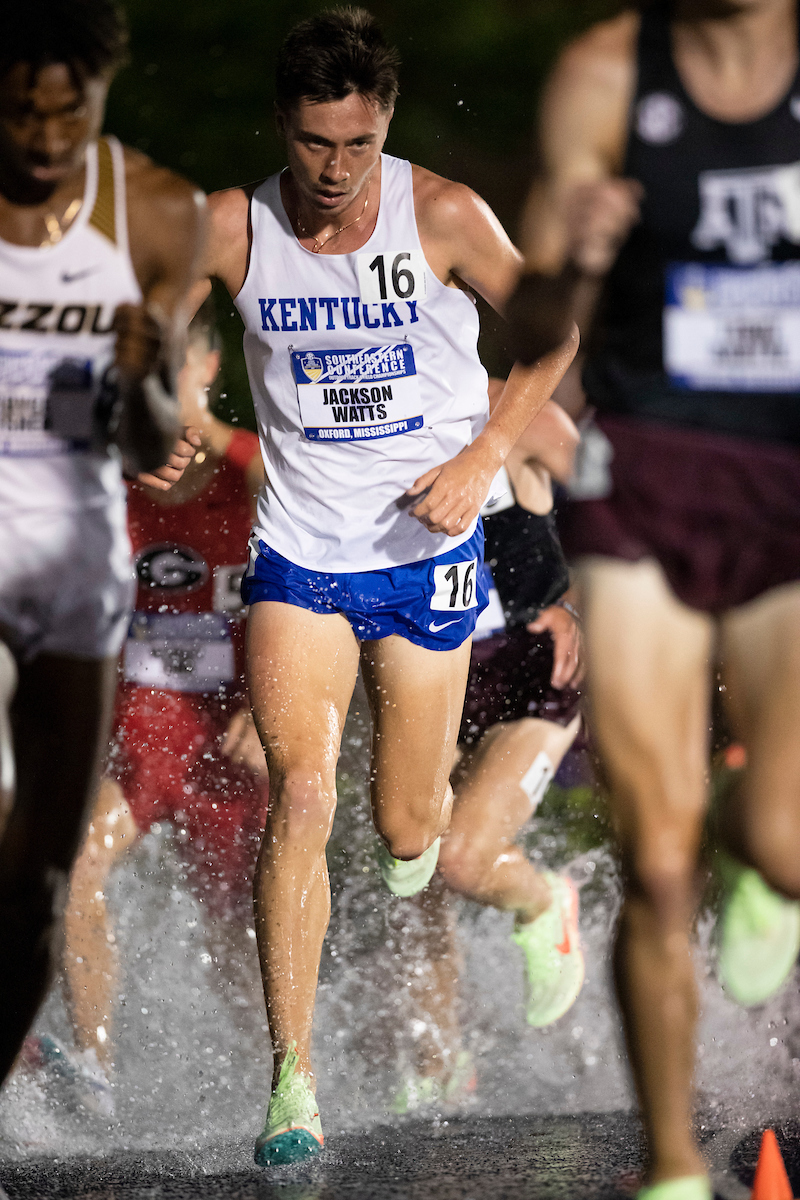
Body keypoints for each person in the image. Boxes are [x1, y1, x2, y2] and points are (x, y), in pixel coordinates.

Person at [193, 6, 578, 1167]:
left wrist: (479, 457)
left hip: (425, 557)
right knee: (301, 794)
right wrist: (161, 407)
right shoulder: (232, 225)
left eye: (356, 146)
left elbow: (555, 332)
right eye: (315, 144)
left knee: (408, 829)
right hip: (301, 554)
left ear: (385, 125)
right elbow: (151, 335)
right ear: (283, 128)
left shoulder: (444, 213)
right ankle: (292, 1087)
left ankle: (534, 897)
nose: (334, 172)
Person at [512, 1, 800, 1197]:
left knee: (776, 838)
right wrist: (573, 253)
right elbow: (526, 321)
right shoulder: (603, 73)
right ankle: (674, 1168)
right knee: (658, 852)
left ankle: (762, 857)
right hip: (640, 482)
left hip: (783, 489)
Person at [0, 0, 205, 1111]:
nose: (38, 141)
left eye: (62, 118)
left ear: (101, 97)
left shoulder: (157, 214)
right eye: (18, 114)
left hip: (78, 567)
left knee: (38, 885)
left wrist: (151, 378)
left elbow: (145, 444)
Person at [20, 301, 267, 1117]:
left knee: (234, 936)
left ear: (208, 370)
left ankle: (269, 1083)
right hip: (141, 744)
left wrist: (271, 713)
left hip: (230, 749)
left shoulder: (259, 477)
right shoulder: (109, 487)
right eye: (145, 372)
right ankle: (96, 1072)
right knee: (76, 870)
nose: (159, 385)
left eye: (176, 367)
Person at [392, 388, 586, 1112]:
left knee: (467, 857)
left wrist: (580, 601)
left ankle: (545, 901)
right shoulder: (375, 412)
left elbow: (626, 512)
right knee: (410, 862)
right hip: (430, 672)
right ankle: (439, 1061)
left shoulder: (530, 416)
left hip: (534, 667)